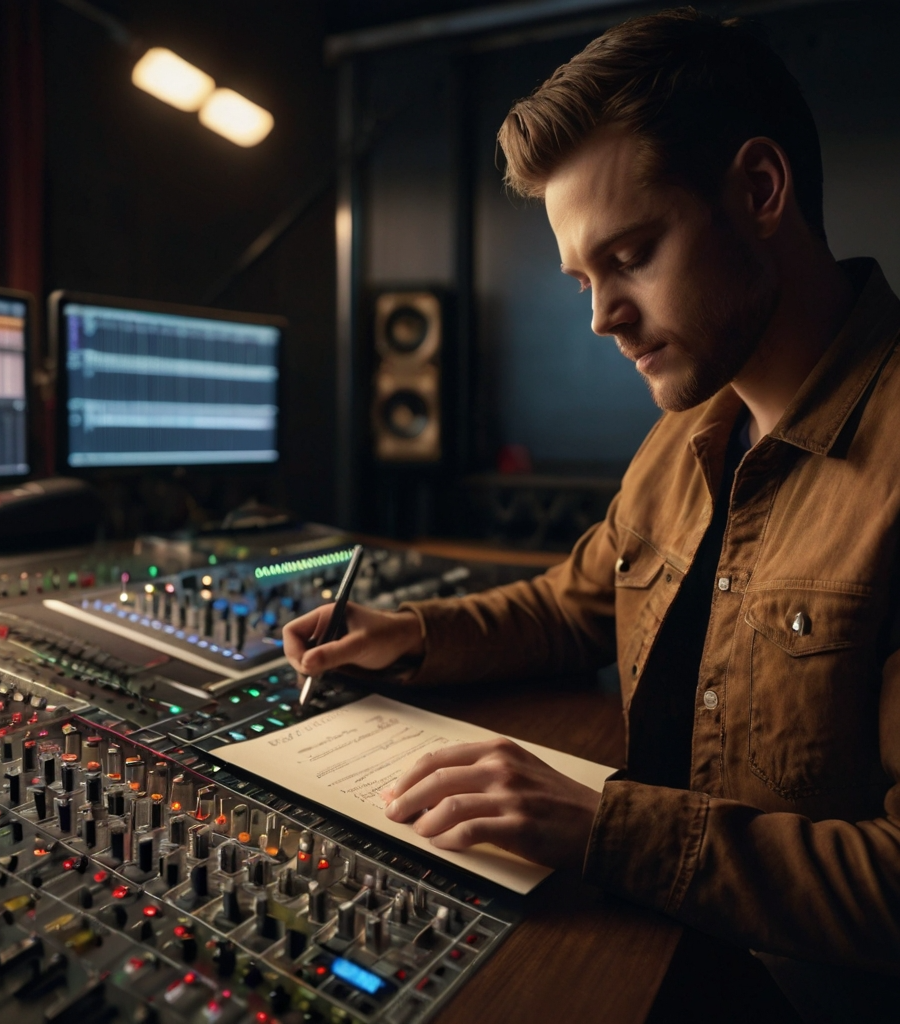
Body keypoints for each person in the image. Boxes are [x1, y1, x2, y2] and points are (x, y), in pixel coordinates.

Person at [285, 7, 900, 1018]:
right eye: (581, 276)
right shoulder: (691, 424)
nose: (599, 315)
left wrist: (603, 828)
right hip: (666, 936)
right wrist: (406, 636)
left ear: (758, 191)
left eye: (631, 256)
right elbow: (571, 603)